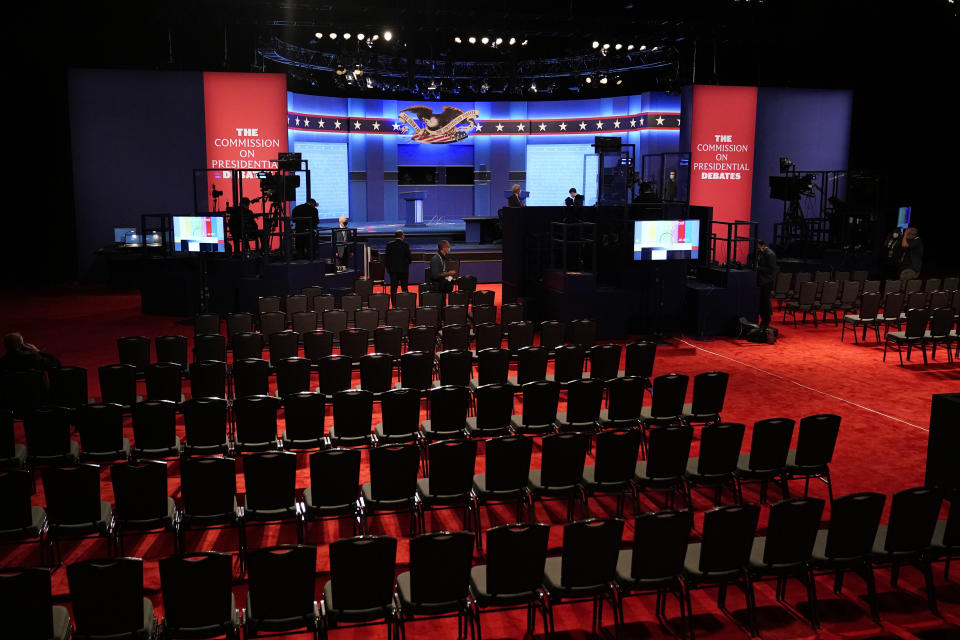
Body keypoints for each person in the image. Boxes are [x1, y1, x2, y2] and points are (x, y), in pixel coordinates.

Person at [384, 229, 412, 305]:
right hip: (404, 271)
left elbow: (386, 258)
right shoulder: (405, 245)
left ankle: (394, 305)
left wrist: (388, 268)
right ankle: (405, 304)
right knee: (404, 288)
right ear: (402, 236)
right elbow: (409, 258)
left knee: (393, 289)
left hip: (393, 271)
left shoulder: (389, 245)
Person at [756, 239, 777, 331]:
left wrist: (759, 268)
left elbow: (771, 269)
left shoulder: (770, 254)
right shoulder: (760, 252)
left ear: (760, 245)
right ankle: (763, 319)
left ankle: (766, 320)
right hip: (761, 281)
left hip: (767, 281)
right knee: (762, 302)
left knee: (765, 301)